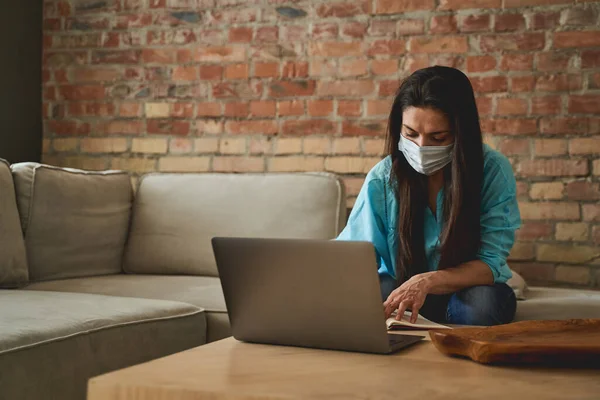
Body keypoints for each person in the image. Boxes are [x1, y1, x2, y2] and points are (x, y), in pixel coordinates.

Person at [337, 66, 520, 326]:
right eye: (411, 134)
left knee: (481, 306)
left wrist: (427, 281)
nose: (421, 147)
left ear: (461, 133)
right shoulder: (383, 178)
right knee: (367, 294)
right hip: (400, 286)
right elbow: (353, 258)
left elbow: (489, 263)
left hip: (466, 289)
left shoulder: (492, 171)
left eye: (438, 137)